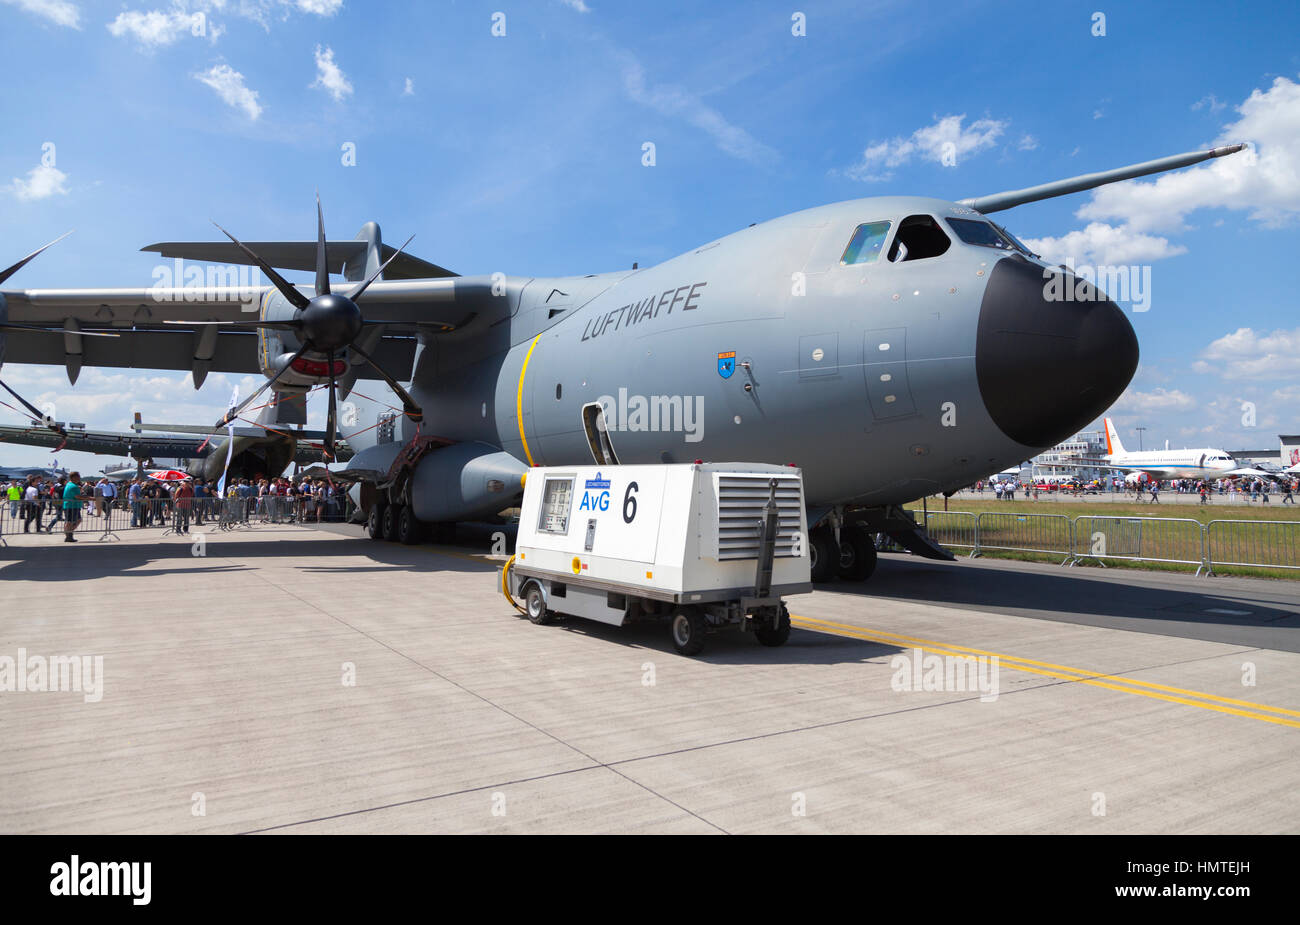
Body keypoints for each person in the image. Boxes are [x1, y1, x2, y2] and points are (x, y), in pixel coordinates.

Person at [62, 472, 83, 542]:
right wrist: (92, 498)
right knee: (70, 522)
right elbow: (78, 497)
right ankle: (69, 535)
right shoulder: (73, 486)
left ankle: (69, 533)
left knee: (76, 520)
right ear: (74, 477)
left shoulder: (70, 484)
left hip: (72, 506)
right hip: (71, 506)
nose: (79, 479)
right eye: (78, 477)